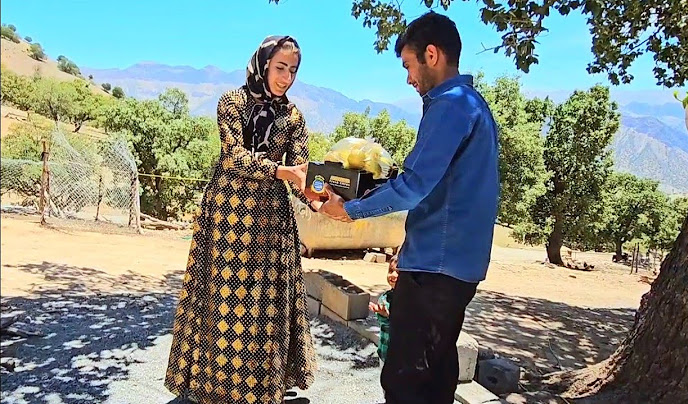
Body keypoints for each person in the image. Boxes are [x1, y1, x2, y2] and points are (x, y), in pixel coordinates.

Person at [320, 11, 499, 404]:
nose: (408, 78)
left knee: (407, 380)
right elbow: (448, 193)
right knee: (436, 375)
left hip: (436, 270)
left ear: (431, 55)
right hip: (451, 264)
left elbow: (415, 185)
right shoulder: (473, 105)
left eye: (408, 65)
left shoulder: (450, 105)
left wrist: (349, 211)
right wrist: (408, 245)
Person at [164, 35, 321, 404]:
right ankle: (215, 388)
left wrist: (321, 200)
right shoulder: (230, 102)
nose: (286, 78)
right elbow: (233, 158)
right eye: (280, 68)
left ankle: (262, 390)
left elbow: (303, 174)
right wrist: (286, 174)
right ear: (264, 64)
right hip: (227, 215)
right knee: (222, 298)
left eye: (293, 71)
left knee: (264, 305)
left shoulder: (294, 117)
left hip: (270, 222)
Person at [369, 255, 399, 364]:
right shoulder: (386, 298)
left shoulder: (413, 299)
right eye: (391, 271)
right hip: (386, 351)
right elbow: (384, 322)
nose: (393, 275)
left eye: (398, 272)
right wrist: (384, 315)